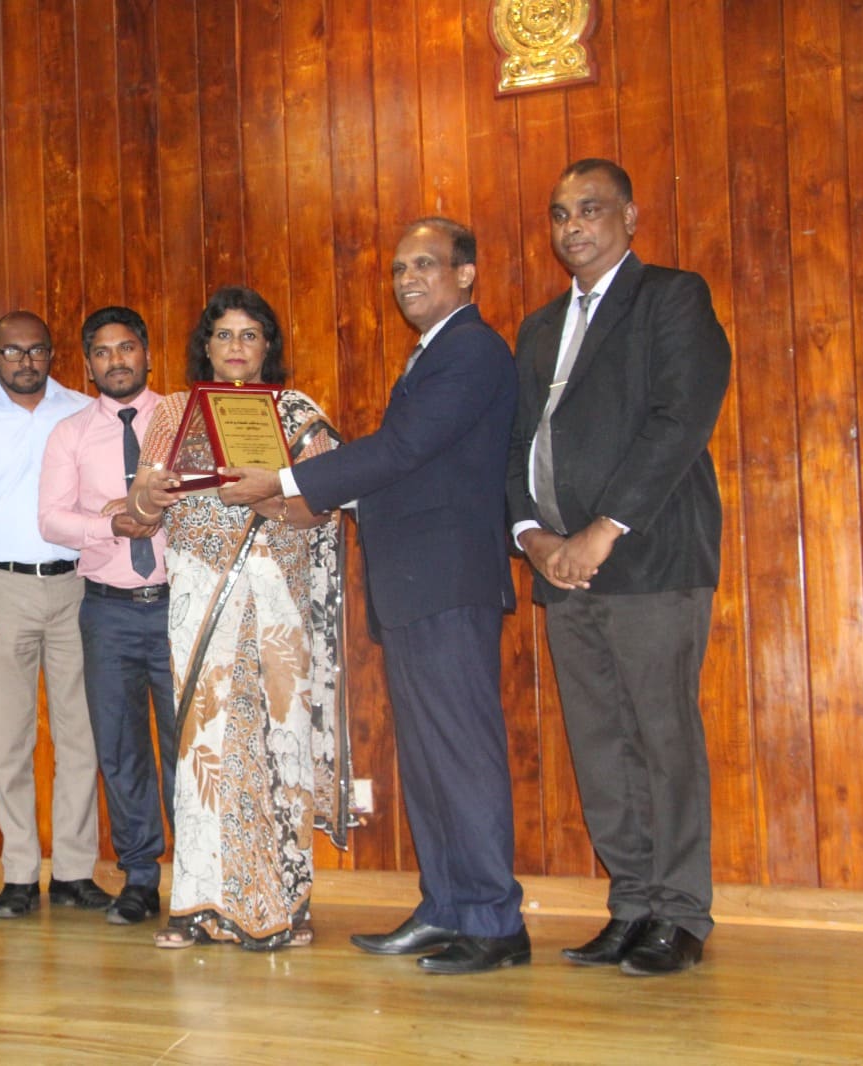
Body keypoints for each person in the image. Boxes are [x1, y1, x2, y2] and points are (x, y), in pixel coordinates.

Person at [224, 218, 526, 973]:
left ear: (467, 274)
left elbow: (403, 449)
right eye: (398, 269)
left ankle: (493, 921)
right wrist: (321, 498)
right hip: (419, 583)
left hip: (447, 581)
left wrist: (288, 481)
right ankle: (448, 905)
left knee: (461, 753)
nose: (407, 279)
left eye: (426, 264)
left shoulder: (472, 350)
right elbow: (414, 469)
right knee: (429, 758)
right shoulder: (434, 353)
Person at [506, 159, 730, 976]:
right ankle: (632, 903)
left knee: (662, 737)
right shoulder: (537, 327)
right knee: (600, 743)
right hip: (562, 569)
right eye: (561, 213)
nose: (573, 226)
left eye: (591, 209)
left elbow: (681, 419)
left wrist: (603, 529)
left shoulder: (671, 298)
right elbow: (516, 442)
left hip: (651, 558)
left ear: (630, 217)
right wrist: (532, 535)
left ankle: (681, 911)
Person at [127, 286, 349, 951]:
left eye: (249, 335)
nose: (235, 347)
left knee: (279, 740)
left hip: (278, 599)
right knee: (206, 746)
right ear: (206, 345)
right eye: (223, 334)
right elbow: (140, 505)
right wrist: (149, 495)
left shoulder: (298, 412)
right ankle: (197, 905)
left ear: (267, 346)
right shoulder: (173, 411)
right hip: (201, 596)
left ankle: (284, 904)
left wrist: (268, 497)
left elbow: (325, 507)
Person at [0, 311, 114, 919]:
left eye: (36, 350)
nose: (25, 361)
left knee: (79, 736)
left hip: (77, 587)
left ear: (52, 353)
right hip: (1, 590)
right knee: (10, 739)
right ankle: (17, 874)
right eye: (11, 352)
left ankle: (72, 872)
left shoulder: (83, 413)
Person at [37, 306, 176, 927]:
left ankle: (198, 878)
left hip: (178, 605)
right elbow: (50, 519)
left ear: (146, 353)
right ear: (88, 365)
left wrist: (163, 506)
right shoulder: (69, 433)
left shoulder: (179, 418)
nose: (116, 361)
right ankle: (140, 877)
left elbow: (209, 493)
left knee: (186, 748)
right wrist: (109, 525)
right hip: (107, 612)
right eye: (102, 351)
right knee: (120, 750)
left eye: (126, 348)